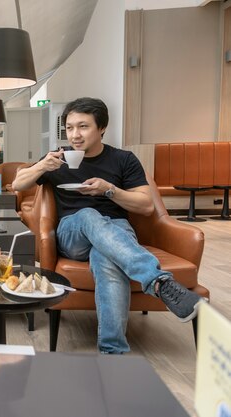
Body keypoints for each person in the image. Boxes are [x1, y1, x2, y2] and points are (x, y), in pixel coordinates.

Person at [12, 97, 204, 354]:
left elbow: (146, 206)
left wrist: (109, 190)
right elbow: (17, 184)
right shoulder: (56, 158)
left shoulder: (123, 159)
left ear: (101, 128)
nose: (75, 135)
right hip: (72, 233)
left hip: (116, 230)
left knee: (105, 257)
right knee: (88, 214)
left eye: (83, 127)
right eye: (69, 128)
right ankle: (159, 281)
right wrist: (41, 166)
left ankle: (113, 353)